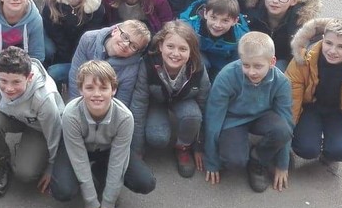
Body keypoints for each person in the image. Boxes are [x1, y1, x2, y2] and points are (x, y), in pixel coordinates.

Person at [50, 60, 152, 208]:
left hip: (108, 150)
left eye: (103, 88)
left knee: (145, 182)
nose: (97, 94)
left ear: (113, 90)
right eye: (89, 88)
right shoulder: (70, 114)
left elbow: (118, 161)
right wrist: (91, 205)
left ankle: (99, 173)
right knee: (63, 190)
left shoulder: (125, 117)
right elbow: (79, 160)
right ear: (80, 90)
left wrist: (107, 206)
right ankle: (91, 182)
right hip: (79, 148)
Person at [203, 32, 293, 193]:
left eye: (258, 66)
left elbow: (287, 120)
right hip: (233, 119)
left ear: (272, 62)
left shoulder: (282, 82)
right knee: (234, 162)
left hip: (263, 116)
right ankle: (240, 148)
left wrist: (282, 164)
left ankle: (258, 159)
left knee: (283, 130)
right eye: (246, 65)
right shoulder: (227, 76)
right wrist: (211, 161)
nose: (251, 72)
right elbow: (213, 119)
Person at [287, 18, 342, 176]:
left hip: (339, 112)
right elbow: (291, 101)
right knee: (306, 149)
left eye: (341, 46)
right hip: (310, 108)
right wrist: (284, 140)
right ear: (322, 39)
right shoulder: (303, 60)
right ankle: (312, 140)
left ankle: (329, 151)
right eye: (328, 43)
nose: (332, 51)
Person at [0, 47, 64, 197]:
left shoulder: (44, 97)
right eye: (3, 81)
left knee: (25, 174)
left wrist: (51, 167)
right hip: (14, 116)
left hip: (40, 127)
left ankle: (32, 150)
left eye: (16, 82)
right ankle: (1, 163)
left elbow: (54, 133)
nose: (9, 88)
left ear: (29, 77)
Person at [139, 21, 211, 178]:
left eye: (183, 49)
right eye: (170, 46)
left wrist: (199, 146)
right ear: (160, 46)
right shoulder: (147, 64)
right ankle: (146, 140)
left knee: (194, 116)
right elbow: (139, 105)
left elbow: (204, 104)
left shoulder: (198, 67)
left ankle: (183, 147)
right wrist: (136, 149)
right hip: (157, 101)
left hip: (183, 100)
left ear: (191, 51)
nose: (175, 53)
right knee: (157, 138)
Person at [41, 0, 106, 89]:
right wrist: (63, 55)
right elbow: (55, 33)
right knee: (48, 50)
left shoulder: (96, 8)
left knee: (57, 71)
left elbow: (87, 38)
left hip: (82, 49)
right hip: (58, 43)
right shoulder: (52, 4)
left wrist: (74, 59)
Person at [68, 21, 152, 112]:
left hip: (106, 105)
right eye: (125, 37)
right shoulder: (88, 39)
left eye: (134, 46)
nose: (126, 44)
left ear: (136, 52)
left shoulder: (132, 68)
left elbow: (122, 101)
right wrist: (77, 109)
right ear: (114, 31)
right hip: (84, 91)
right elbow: (75, 76)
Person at [244, 0, 321, 69]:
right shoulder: (252, 13)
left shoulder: (301, 22)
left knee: (278, 68)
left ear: (293, 1)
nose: (275, 0)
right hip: (253, 56)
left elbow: (306, 54)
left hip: (284, 61)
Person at [180, 0, 250, 79]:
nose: (217, 25)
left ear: (235, 21)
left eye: (225, 20)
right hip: (197, 51)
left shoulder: (240, 36)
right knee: (201, 64)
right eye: (213, 17)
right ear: (205, 14)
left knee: (228, 71)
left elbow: (239, 60)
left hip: (222, 56)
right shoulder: (190, 25)